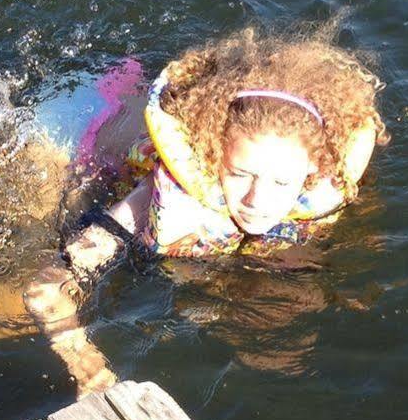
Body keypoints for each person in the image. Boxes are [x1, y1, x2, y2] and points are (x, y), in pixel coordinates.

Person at [23, 25, 386, 394]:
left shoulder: (324, 185)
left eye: (280, 183)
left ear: (313, 168)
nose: (257, 200)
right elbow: (44, 291)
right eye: (240, 175)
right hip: (80, 121)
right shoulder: (153, 198)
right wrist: (86, 365)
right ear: (214, 157)